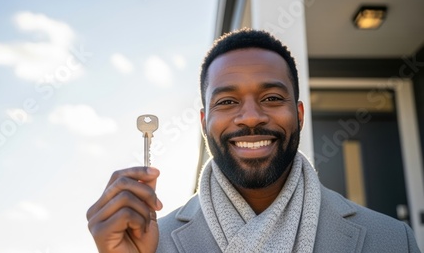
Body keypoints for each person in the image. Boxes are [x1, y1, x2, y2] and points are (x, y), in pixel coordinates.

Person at [86, 28, 421, 253]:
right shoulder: (150, 244)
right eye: (227, 102)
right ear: (205, 123)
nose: (250, 117)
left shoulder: (393, 240)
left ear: (300, 114)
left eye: (273, 98)